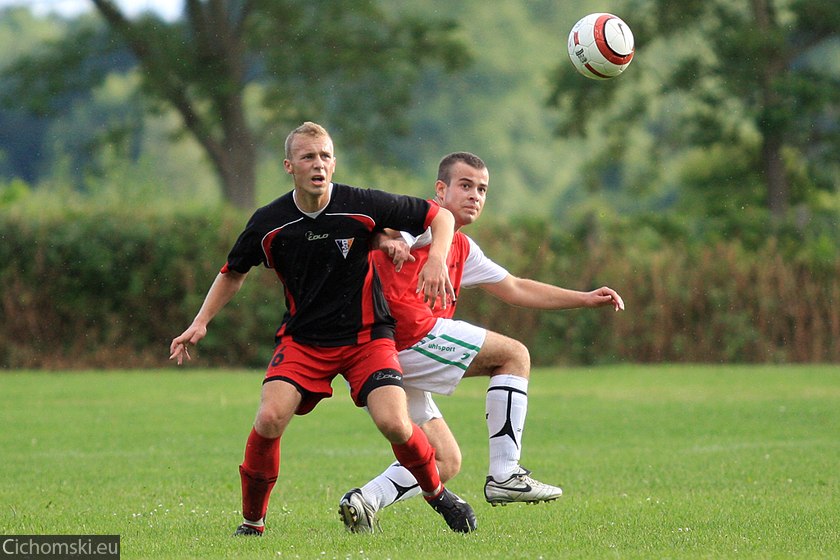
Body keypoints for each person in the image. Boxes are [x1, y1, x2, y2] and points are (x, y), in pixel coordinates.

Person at [169, 123, 478, 536]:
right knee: (269, 417)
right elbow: (233, 272)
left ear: (334, 162)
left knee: (395, 422)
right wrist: (200, 322)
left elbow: (438, 216)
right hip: (304, 341)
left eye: (326, 156)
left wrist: (437, 258)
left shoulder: (361, 203)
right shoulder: (269, 222)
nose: (319, 164)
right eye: (309, 157)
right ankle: (252, 523)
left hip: (368, 337)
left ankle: (438, 495)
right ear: (289, 166)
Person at [338, 151, 624, 532]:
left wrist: (584, 297)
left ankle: (365, 500)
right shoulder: (423, 224)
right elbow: (387, 229)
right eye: (466, 186)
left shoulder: (464, 249)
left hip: (389, 359)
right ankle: (505, 475)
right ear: (441, 190)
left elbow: (517, 288)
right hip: (401, 338)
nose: (475, 195)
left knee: (445, 460)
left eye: (482, 189)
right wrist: (388, 239)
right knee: (513, 355)